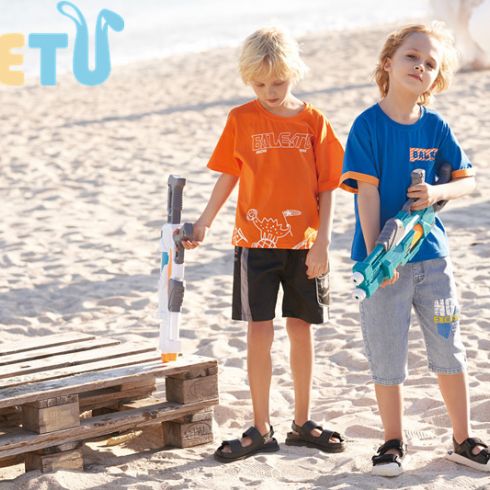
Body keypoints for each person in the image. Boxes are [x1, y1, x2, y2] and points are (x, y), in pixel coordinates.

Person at [182, 26, 346, 462]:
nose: (270, 92)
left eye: (278, 82)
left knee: (300, 328)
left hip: (305, 244)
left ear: (294, 72)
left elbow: (329, 184)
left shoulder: (314, 121)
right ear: (247, 80)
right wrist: (204, 221)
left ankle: (302, 422)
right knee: (259, 330)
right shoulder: (241, 119)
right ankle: (260, 427)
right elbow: (229, 174)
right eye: (259, 85)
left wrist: (323, 242)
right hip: (255, 243)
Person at [341, 22, 489, 476]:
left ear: (436, 78)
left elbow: (468, 181)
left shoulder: (436, 127)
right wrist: (377, 259)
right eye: (411, 56)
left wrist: (438, 192)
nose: (420, 66)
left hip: (433, 261)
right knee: (388, 354)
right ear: (388, 62)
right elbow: (366, 195)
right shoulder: (367, 126)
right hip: (383, 265)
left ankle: (463, 439)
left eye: (430, 63)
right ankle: (392, 442)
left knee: (449, 344)